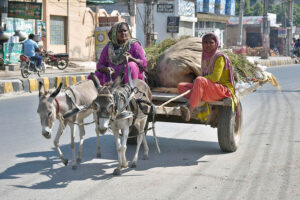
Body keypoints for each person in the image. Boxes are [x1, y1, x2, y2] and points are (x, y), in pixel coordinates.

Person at [177, 33, 237, 121]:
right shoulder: (204, 56)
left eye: (211, 42)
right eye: (205, 42)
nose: (207, 45)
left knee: (199, 80)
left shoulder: (219, 57)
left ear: (216, 43)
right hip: (210, 88)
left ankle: (190, 109)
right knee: (181, 86)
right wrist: (199, 83)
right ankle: (199, 99)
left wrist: (199, 81)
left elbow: (216, 78)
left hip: (222, 89)